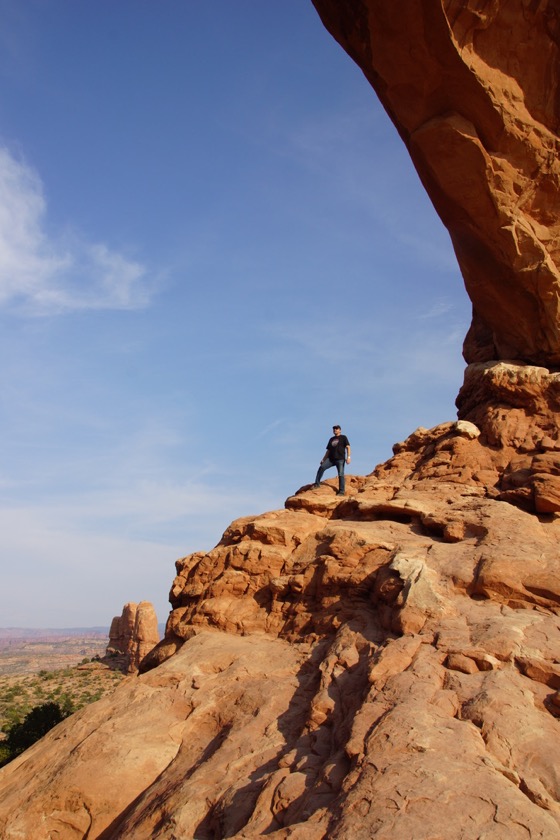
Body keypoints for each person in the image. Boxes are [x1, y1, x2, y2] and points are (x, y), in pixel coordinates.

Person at [313, 425, 351, 495]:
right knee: (322, 467)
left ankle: (341, 491)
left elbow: (348, 447)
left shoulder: (343, 437)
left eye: (336, 429)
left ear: (340, 430)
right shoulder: (331, 439)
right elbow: (328, 451)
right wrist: (323, 459)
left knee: (341, 474)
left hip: (340, 459)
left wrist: (348, 457)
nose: (335, 430)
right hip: (330, 459)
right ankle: (317, 484)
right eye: (334, 429)